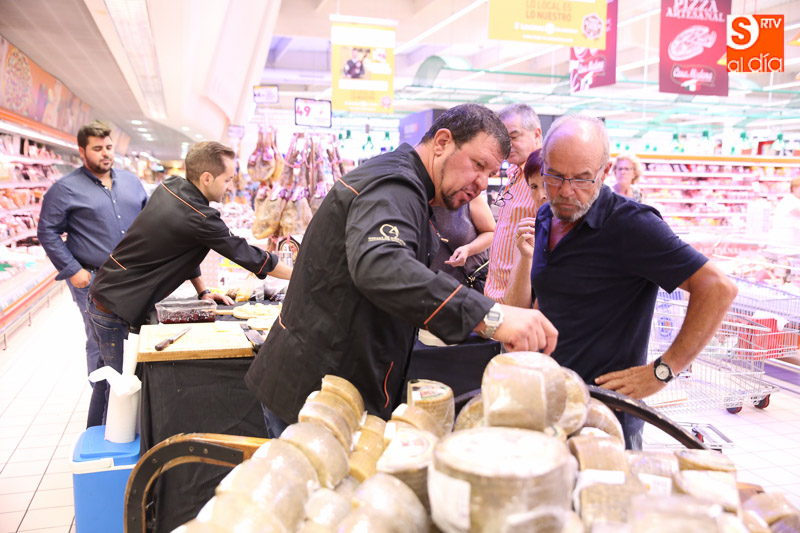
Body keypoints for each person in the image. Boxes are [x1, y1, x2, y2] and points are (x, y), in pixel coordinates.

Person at [245, 104, 558, 437]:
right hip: (317, 393)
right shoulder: (395, 185)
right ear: (442, 142)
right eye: (477, 165)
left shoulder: (407, 184)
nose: (481, 183)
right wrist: (491, 316)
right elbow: (383, 265)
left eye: (490, 173)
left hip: (332, 383)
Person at [530, 115, 737, 449]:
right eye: (555, 175)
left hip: (605, 415)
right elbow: (554, 295)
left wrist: (663, 371)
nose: (566, 190)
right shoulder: (546, 215)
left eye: (582, 178)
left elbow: (718, 288)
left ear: (605, 172)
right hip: (550, 397)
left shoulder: (631, 225)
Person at [88, 141, 292, 424]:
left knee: (107, 382)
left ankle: (95, 433)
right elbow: (247, 255)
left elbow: (183, 246)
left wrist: (203, 290)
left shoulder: (172, 187)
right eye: (227, 179)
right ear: (207, 178)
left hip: (107, 295)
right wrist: (298, 273)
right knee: (120, 390)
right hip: (115, 307)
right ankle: (107, 447)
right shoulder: (199, 216)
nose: (230, 187)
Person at [37, 120, 148, 428]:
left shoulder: (132, 183)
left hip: (134, 278)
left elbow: (149, 222)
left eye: (109, 147)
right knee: (101, 343)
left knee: (133, 339)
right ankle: (104, 411)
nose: (105, 153)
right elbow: (47, 231)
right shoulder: (65, 189)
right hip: (93, 279)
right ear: (82, 151)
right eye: (97, 148)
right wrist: (72, 269)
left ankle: (132, 402)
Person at [484, 103, 542, 303]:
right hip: (497, 294)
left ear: (536, 134)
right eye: (503, 139)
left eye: (514, 137)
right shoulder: (514, 173)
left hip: (521, 297)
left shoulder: (544, 178)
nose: (507, 145)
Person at [502, 149, 547, 306]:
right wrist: (526, 257)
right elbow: (514, 306)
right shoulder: (529, 233)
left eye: (546, 185)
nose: (541, 195)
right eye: (534, 186)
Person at [429, 194, 495, 293]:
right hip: (432, 289)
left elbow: (491, 232)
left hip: (470, 286)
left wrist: (468, 249)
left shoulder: (470, 197)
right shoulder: (415, 200)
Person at [773, 177, 800, 246]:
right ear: (795, 188)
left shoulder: (794, 199)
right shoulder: (790, 200)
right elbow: (798, 211)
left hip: (789, 237)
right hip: (785, 238)